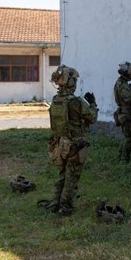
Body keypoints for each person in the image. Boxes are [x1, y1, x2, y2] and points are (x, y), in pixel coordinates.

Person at [41, 65, 98, 216]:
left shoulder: (56, 99)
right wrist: (93, 104)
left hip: (59, 143)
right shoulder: (76, 101)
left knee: (62, 174)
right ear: (70, 82)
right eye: (74, 80)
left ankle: (55, 202)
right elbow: (92, 118)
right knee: (72, 177)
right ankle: (65, 208)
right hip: (74, 144)